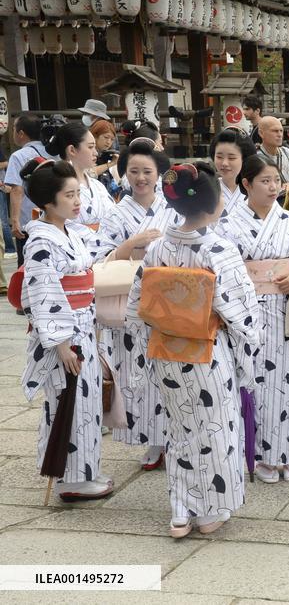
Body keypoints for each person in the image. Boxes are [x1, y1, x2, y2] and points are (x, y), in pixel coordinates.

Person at [125, 162, 261, 537]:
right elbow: (242, 312)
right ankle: (209, 512)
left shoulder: (157, 248)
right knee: (214, 431)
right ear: (213, 203)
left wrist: (143, 351)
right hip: (206, 351)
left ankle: (180, 511)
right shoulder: (218, 248)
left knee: (180, 430)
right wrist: (250, 351)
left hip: (166, 352)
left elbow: (137, 305)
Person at [216, 155, 289, 483]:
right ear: (246, 184)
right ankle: (261, 455)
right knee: (254, 384)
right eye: (265, 180)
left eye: (277, 180)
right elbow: (219, 269)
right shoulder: (227, 225)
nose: (274, 186)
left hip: (287, 312)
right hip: (247, 315)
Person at [20, 159, 111, 501]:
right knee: (67, 402)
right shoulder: (40, 242)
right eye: (70, 195)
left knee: (86, 404)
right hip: (64, 336)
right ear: (47, 202)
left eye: (78, 194)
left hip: (82, 328)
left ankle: (84, 472)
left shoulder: (73, 232)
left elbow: (101, 255)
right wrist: (60, 343)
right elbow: (44, 294)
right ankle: (70, 480)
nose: (78, 202)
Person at [94, 138, 178, 471]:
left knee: (169, 371)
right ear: (124, 174)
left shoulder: (172, 211)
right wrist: (133, 243)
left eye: (147, 171)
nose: (140, 178)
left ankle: (174, 437)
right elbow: (102, 259)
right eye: (133, 171)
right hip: (130, 305)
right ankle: (153, 442)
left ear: (159, 174)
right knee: (137, 373)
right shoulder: (116, 214)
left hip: (169, 301)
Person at [5, 114, 54, 267]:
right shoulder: (53, 153)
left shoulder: (18, 156)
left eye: (14, 129)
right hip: (54, 218)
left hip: (29, 222)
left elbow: (17, 189)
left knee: (28, 265)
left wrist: (15, 220)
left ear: (21, 133)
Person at [46, 122, 112, 230]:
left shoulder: (97, 185)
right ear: (72, 150)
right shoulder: (57, 185)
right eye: (90, 147)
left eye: (95, 147)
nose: (95, 153)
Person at [211, 129, 256, 219]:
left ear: (244, 158)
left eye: (231, 158)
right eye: (219, 157)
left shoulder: (256, 189)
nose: (224, 163)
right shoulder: (207, 189)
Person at [256, 116, 289, 186]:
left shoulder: (287, 153)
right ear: (261, 133)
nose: (279, 135)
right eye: (275, 131)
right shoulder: (256, 157)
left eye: (281, 131)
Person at [89, 120, 120, 197]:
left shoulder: (108, 154)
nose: (109, 142)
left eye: (112, 139)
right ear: (95, 136)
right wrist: (111, 164)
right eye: (106, 137)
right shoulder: (86, 152)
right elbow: (89, 173)